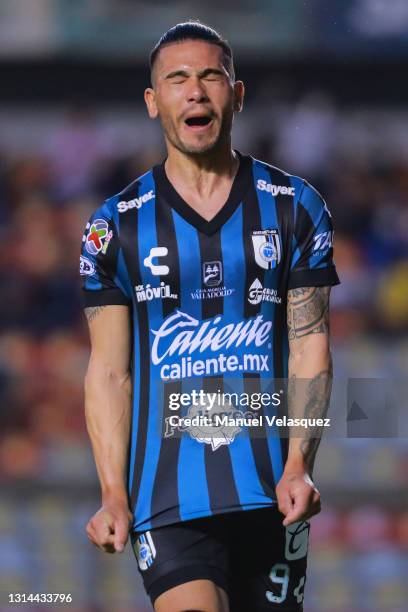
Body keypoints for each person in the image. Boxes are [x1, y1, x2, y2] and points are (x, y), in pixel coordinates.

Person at [80, 20, 340, 612]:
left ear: (237, 94)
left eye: (210, 77)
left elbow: (309, 345)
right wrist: (112, 494)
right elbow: (109, 372)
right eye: (177, 79)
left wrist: (299, 463)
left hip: (271, 495)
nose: (195, 91)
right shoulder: (114, 225)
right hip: (164, 498)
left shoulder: (295, 207)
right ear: (154, 102)